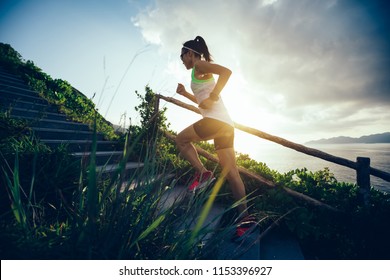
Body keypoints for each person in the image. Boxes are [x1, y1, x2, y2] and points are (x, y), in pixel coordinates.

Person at [175, 36, 256, 239]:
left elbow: (226, 73)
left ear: (190, 54)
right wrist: (185, 94)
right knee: (232, 174)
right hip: (226, 125)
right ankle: (245, 219)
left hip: (215, 122)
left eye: (182, 55)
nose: (181, 59)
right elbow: (202, 103)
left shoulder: (200, 65)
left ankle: (203, 173)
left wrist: (213, 96)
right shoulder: (197, 73)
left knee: (181, 140)